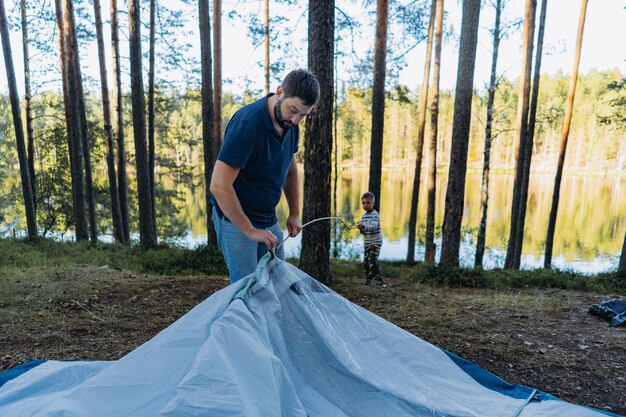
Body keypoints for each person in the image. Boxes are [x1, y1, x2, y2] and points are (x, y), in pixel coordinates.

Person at [209, 69, 320, 283]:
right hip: (236, 222)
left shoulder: (291, 124)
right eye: (293, 110)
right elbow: (219, 185)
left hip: (267, 218)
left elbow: (290, 168)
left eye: (303, 116)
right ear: (279, 92)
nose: (296, 120)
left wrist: (294, 213)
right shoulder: (247, 124)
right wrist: (250, 231)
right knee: (247, 290)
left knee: (279, 282)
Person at [357, 192, 386, 287]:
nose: (365, 205)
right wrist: (361, 229)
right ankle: (368, 280)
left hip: (375, 243)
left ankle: (380, 282)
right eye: (363, 203)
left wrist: (364, 226)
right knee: (366, 262)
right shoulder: (364, 216)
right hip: (367, 243)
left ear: (373, 203)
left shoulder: (375, 215)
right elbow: (364, 232)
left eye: (368, 202)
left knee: (372, 261)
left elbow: (373, 227)